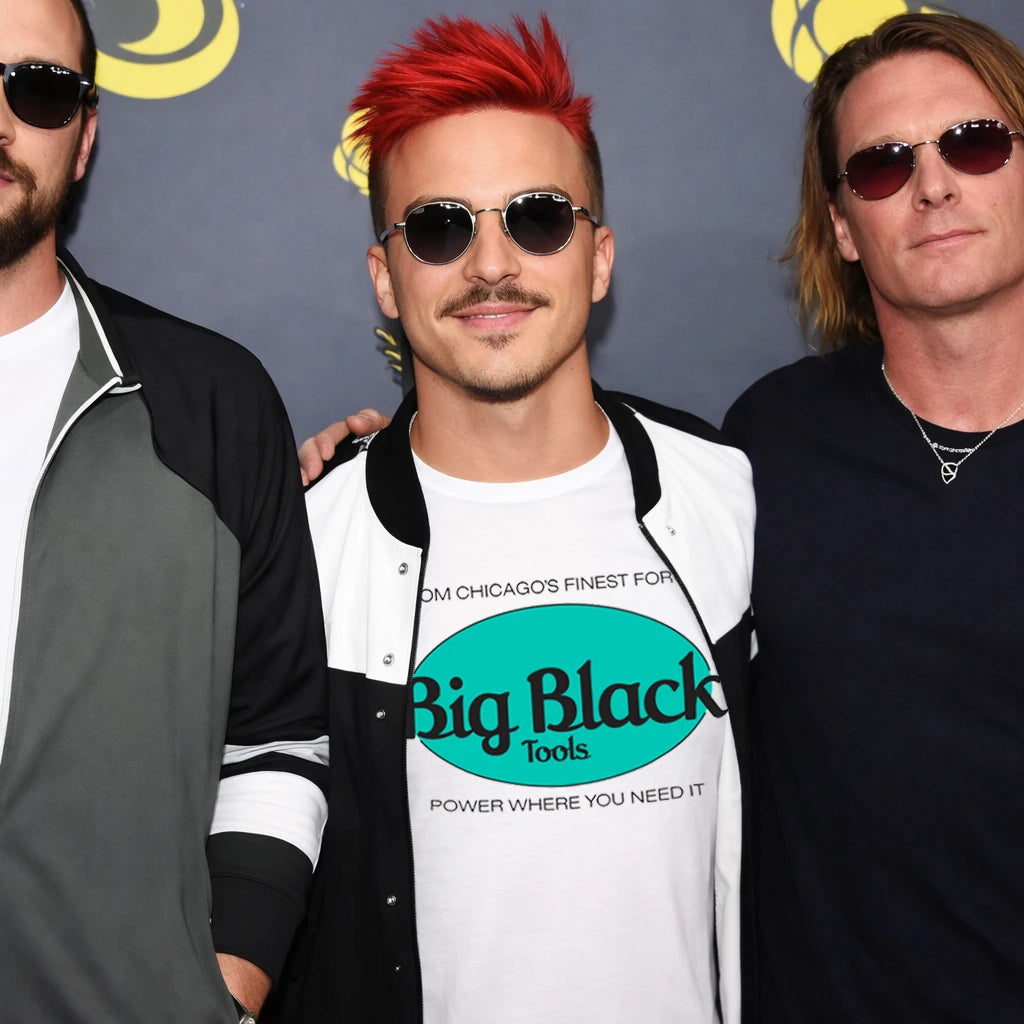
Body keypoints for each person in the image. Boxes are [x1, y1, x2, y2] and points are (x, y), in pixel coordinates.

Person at [275, 14, 754, 1024]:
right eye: (441, 226)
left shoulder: (731, 498)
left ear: (598, 257)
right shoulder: (308, 549)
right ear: (385, 278)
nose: (491, 264)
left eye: (536, 217)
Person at [0, 1, 327, 1021]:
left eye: (37, 90)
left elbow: (278, 740)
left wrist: (220, 990)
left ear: (85, 137)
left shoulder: (209, 402)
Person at [722, 12, 1024, 1022]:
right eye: (884, 165)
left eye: (973, 144)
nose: (934, 184)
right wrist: (367, 470)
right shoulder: (766, 438)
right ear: (843, 227)